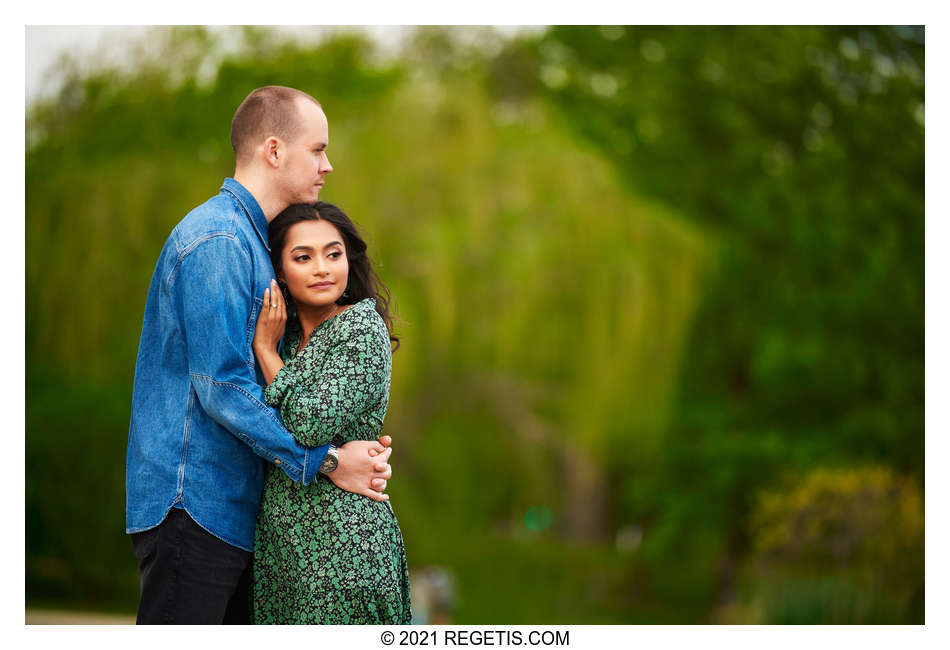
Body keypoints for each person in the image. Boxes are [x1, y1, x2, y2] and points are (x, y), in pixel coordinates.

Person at [125, 86, 394, 624]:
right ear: (274, 151)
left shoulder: (253, 242)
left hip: (234, 510)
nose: (328, 165)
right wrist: (327, 462)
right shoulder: (220, 240)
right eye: (317, 150)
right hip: (194, 506)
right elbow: (223, 386)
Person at [251, 201, 410, 624]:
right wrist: (274, 347)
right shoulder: (286, 339)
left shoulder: (359, 327)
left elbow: (308, 424)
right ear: (281, 272)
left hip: (344, 546)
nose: (322, 267)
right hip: (284, 552)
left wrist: (265, 354)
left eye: (333, 254)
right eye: (304, 257)